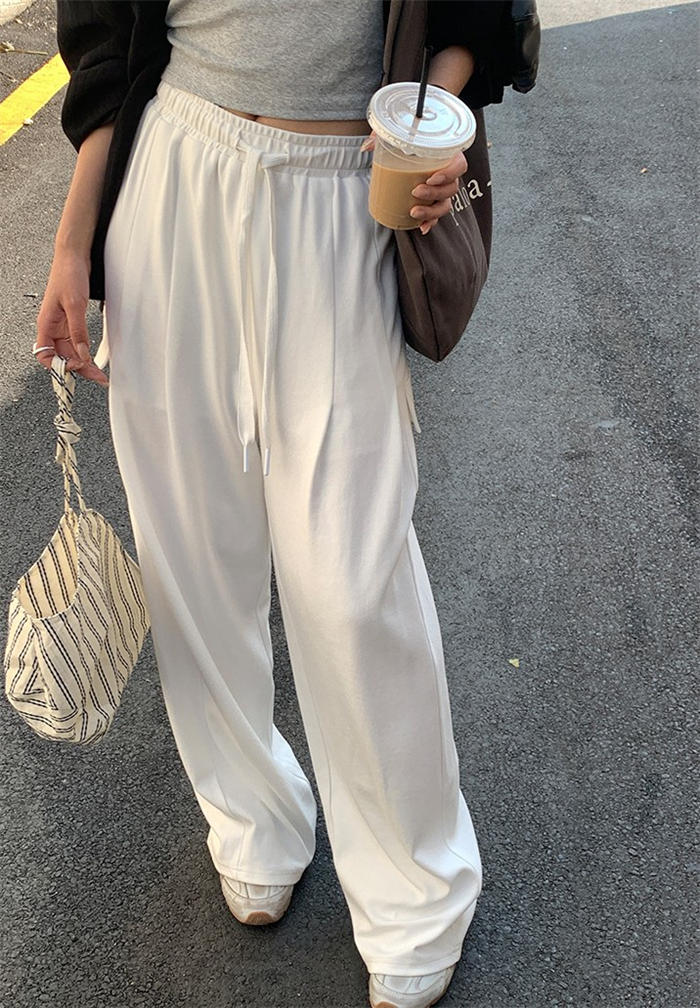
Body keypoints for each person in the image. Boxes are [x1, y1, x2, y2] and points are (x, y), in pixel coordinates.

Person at [37, 4, 539, 1007]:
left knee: (351, 580)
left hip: (348, 188)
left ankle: (414, 885)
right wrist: (73, 243)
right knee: (191, 555)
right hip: (177, 174)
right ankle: (252, 814)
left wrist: (435, 119)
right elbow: (107, 34)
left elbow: (483, 10)